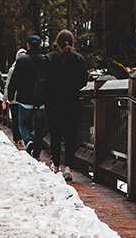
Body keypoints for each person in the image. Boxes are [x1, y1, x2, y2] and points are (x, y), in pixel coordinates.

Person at [42, 30, 88, 181]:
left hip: (53, 103)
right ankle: (68, 166)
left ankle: (56, 165)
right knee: (70, 136)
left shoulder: (49, 59)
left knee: (55, 134)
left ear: (57, 42)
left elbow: (44, 80)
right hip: (72, 102)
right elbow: (83, 81)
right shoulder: (79, 60)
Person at [6, 35, 46, 159]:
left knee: (22, 124)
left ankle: (28, 142)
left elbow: (14, 81)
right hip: (40, 101)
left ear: (28, 45)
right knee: (39, 128)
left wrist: (11, 96)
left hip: (24, 100)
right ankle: (37, 153)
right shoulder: (45, 60)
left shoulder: (21, 60)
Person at [3, 48, 27, 148]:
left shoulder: (27, 68)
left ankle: (23, 139)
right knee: (16, 120)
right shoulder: (13, 69)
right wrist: (5, 98)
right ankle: (18, 139)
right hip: (14, 99)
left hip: (23, 98)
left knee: (22, 120)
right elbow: (8, 84)